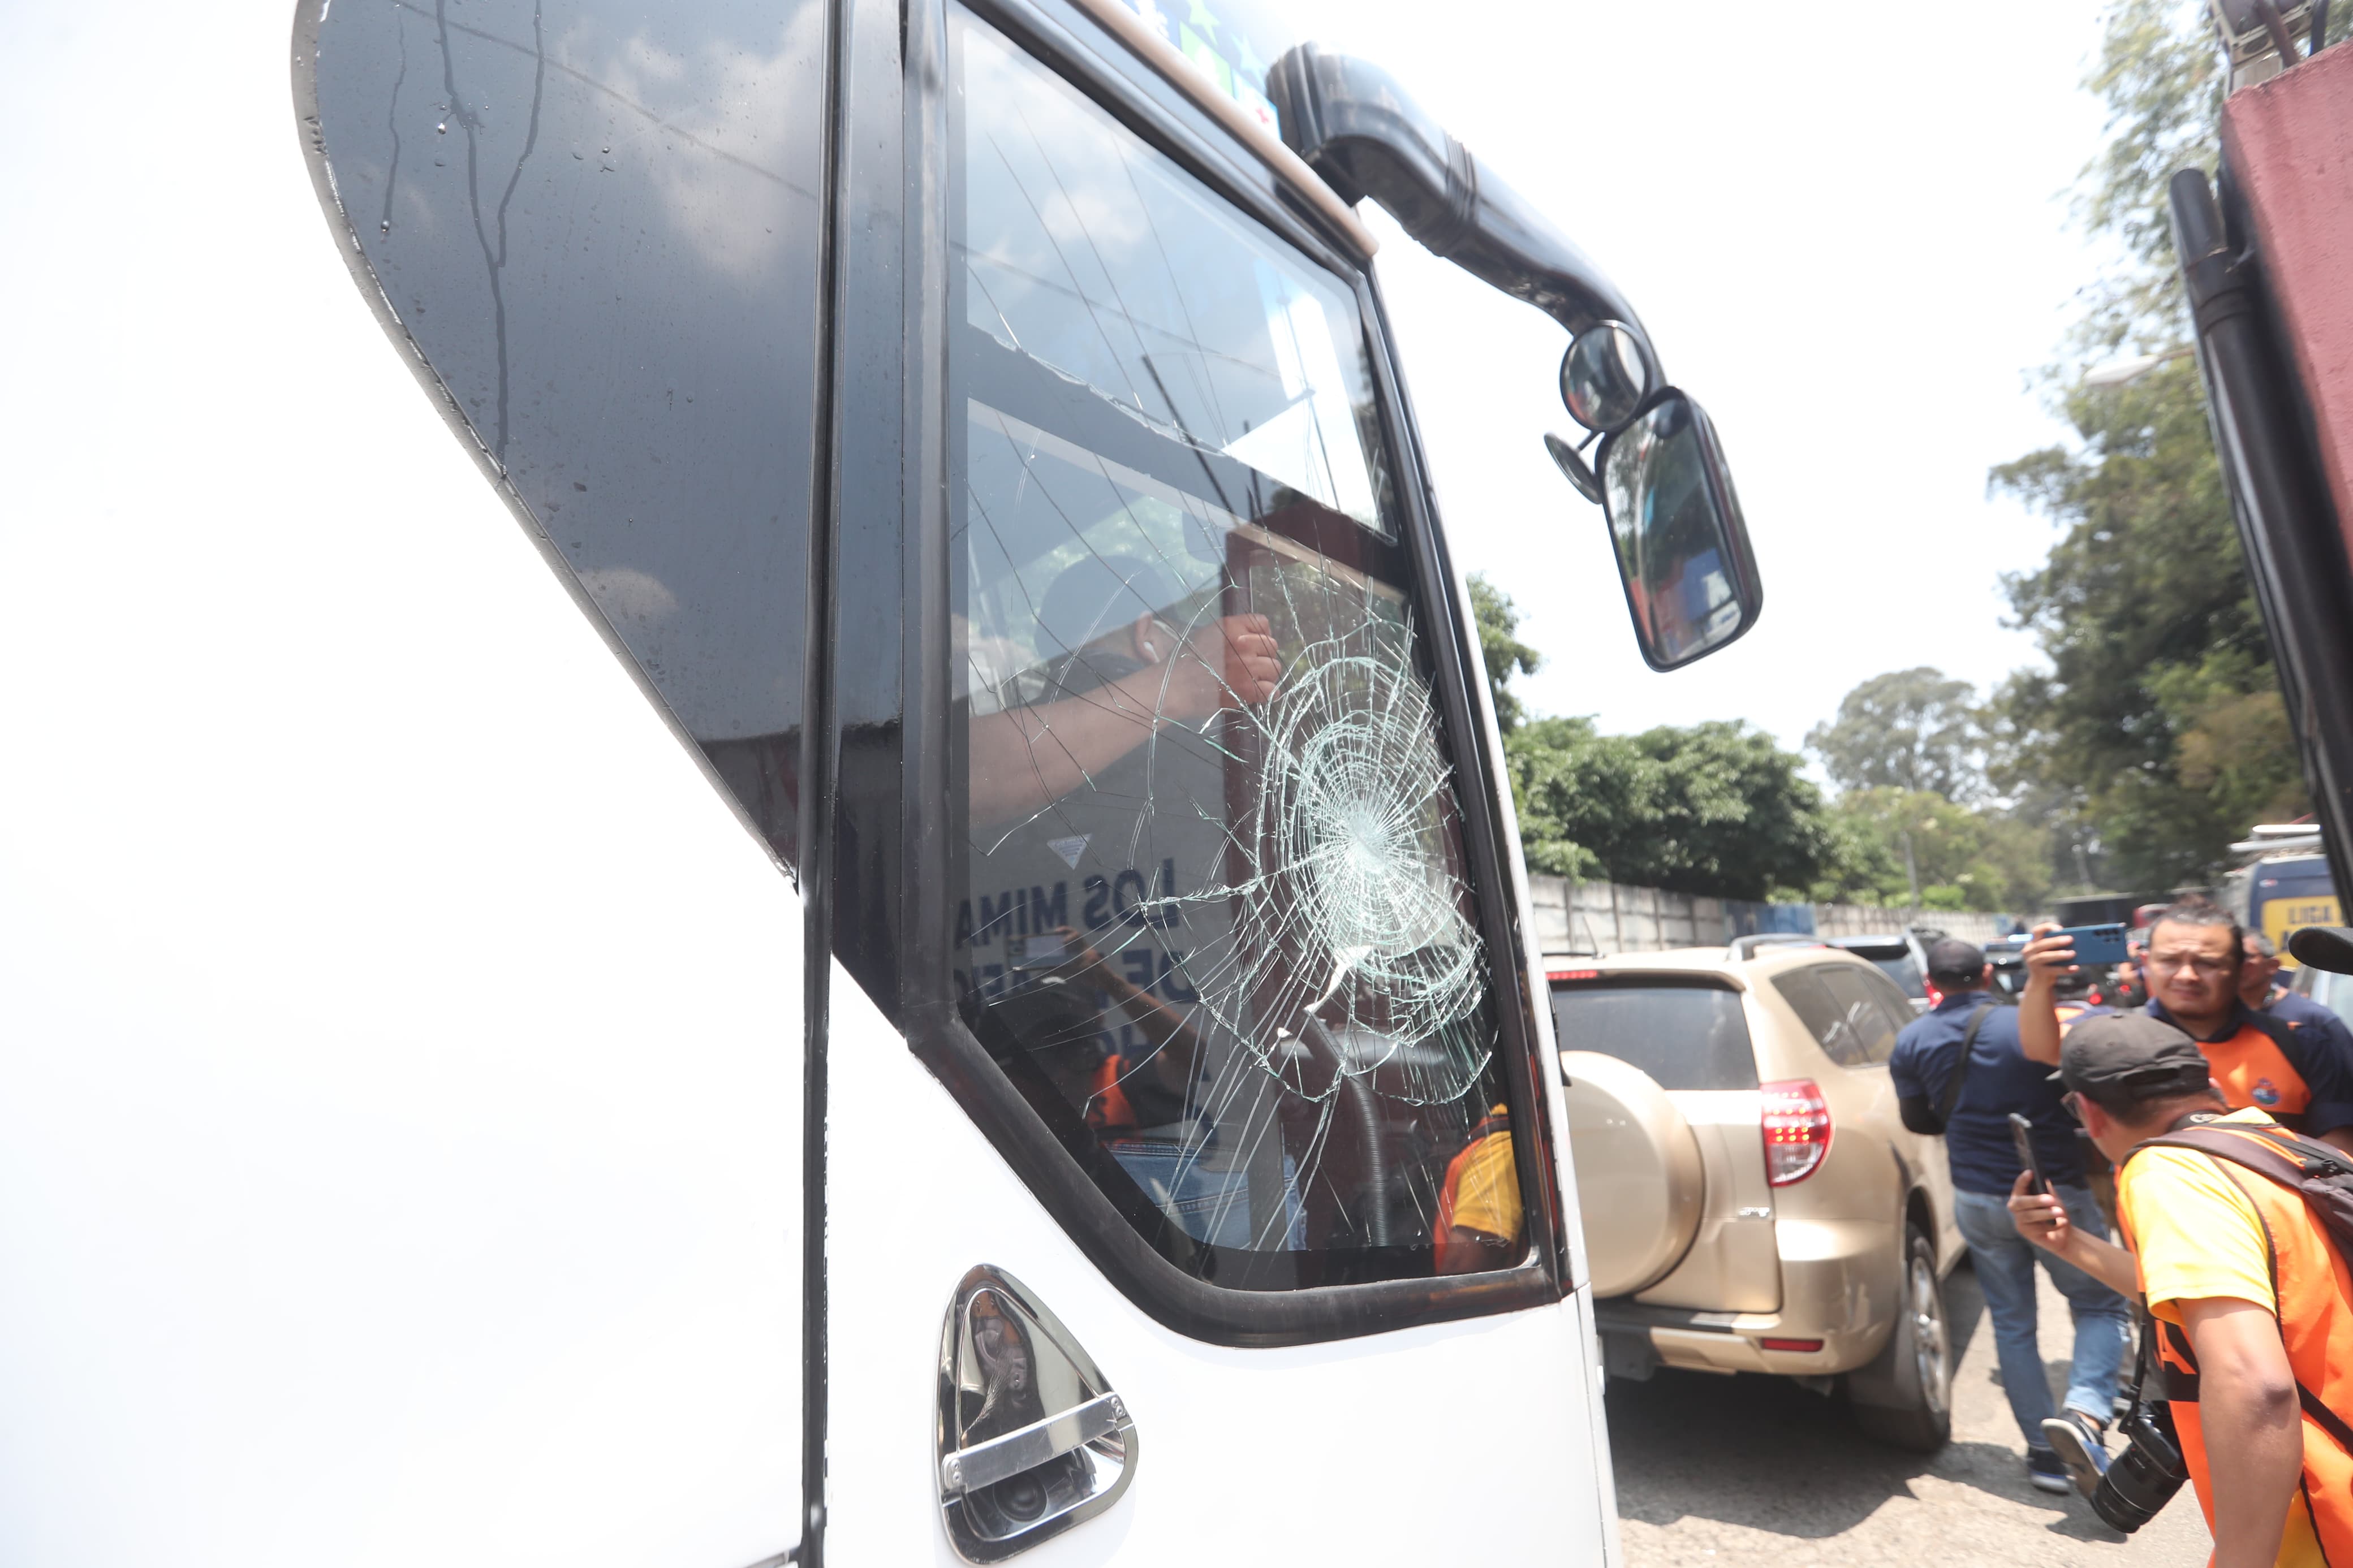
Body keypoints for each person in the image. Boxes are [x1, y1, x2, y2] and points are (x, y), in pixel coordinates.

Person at [2007, 1013, 2353, 1566]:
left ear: (2088, 1113)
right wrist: (2070, 1244)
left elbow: (2253, 1383)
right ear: (2210, 1087)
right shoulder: (2270, 1146)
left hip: (2323, 1523)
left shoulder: (2168, 1170)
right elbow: (2213, 1295)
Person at [1889, 936, 2132, 1494]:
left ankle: (2044, 1456)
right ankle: (2084, 1413)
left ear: (1932, 982)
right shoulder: (2023, 1029)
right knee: (2099, 1301)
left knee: (2011, 1323)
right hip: (2051, 1196)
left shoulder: (1910, 1039)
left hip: (1977, 1199)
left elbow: (1922, 1122)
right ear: (1985, 976)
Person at [2024, 899, 2353, 1156]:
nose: (2187, 976)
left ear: (2241, 970)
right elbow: (2042, 1049)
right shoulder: (2114, 1037)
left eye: (2207, 963)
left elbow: (2342, 1137)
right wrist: (2040, 980)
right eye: (2170, 961)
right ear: (2145, 965)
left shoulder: (2302, 1043)